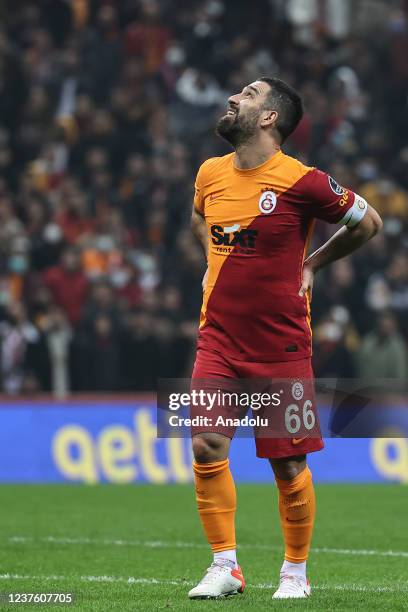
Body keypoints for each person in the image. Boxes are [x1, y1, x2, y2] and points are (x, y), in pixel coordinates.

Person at [189, 77, 382, 599]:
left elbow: (368, 223)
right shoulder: (210, 174)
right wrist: (218, 272)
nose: (233, 98)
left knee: (288, 461)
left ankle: (294, 572)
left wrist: (313, 263)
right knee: (206, 444)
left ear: (270, 117)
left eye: (248, 94)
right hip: (219, 341)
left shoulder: (303, 181)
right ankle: (225, 566)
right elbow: (200, 222)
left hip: (281, 346)